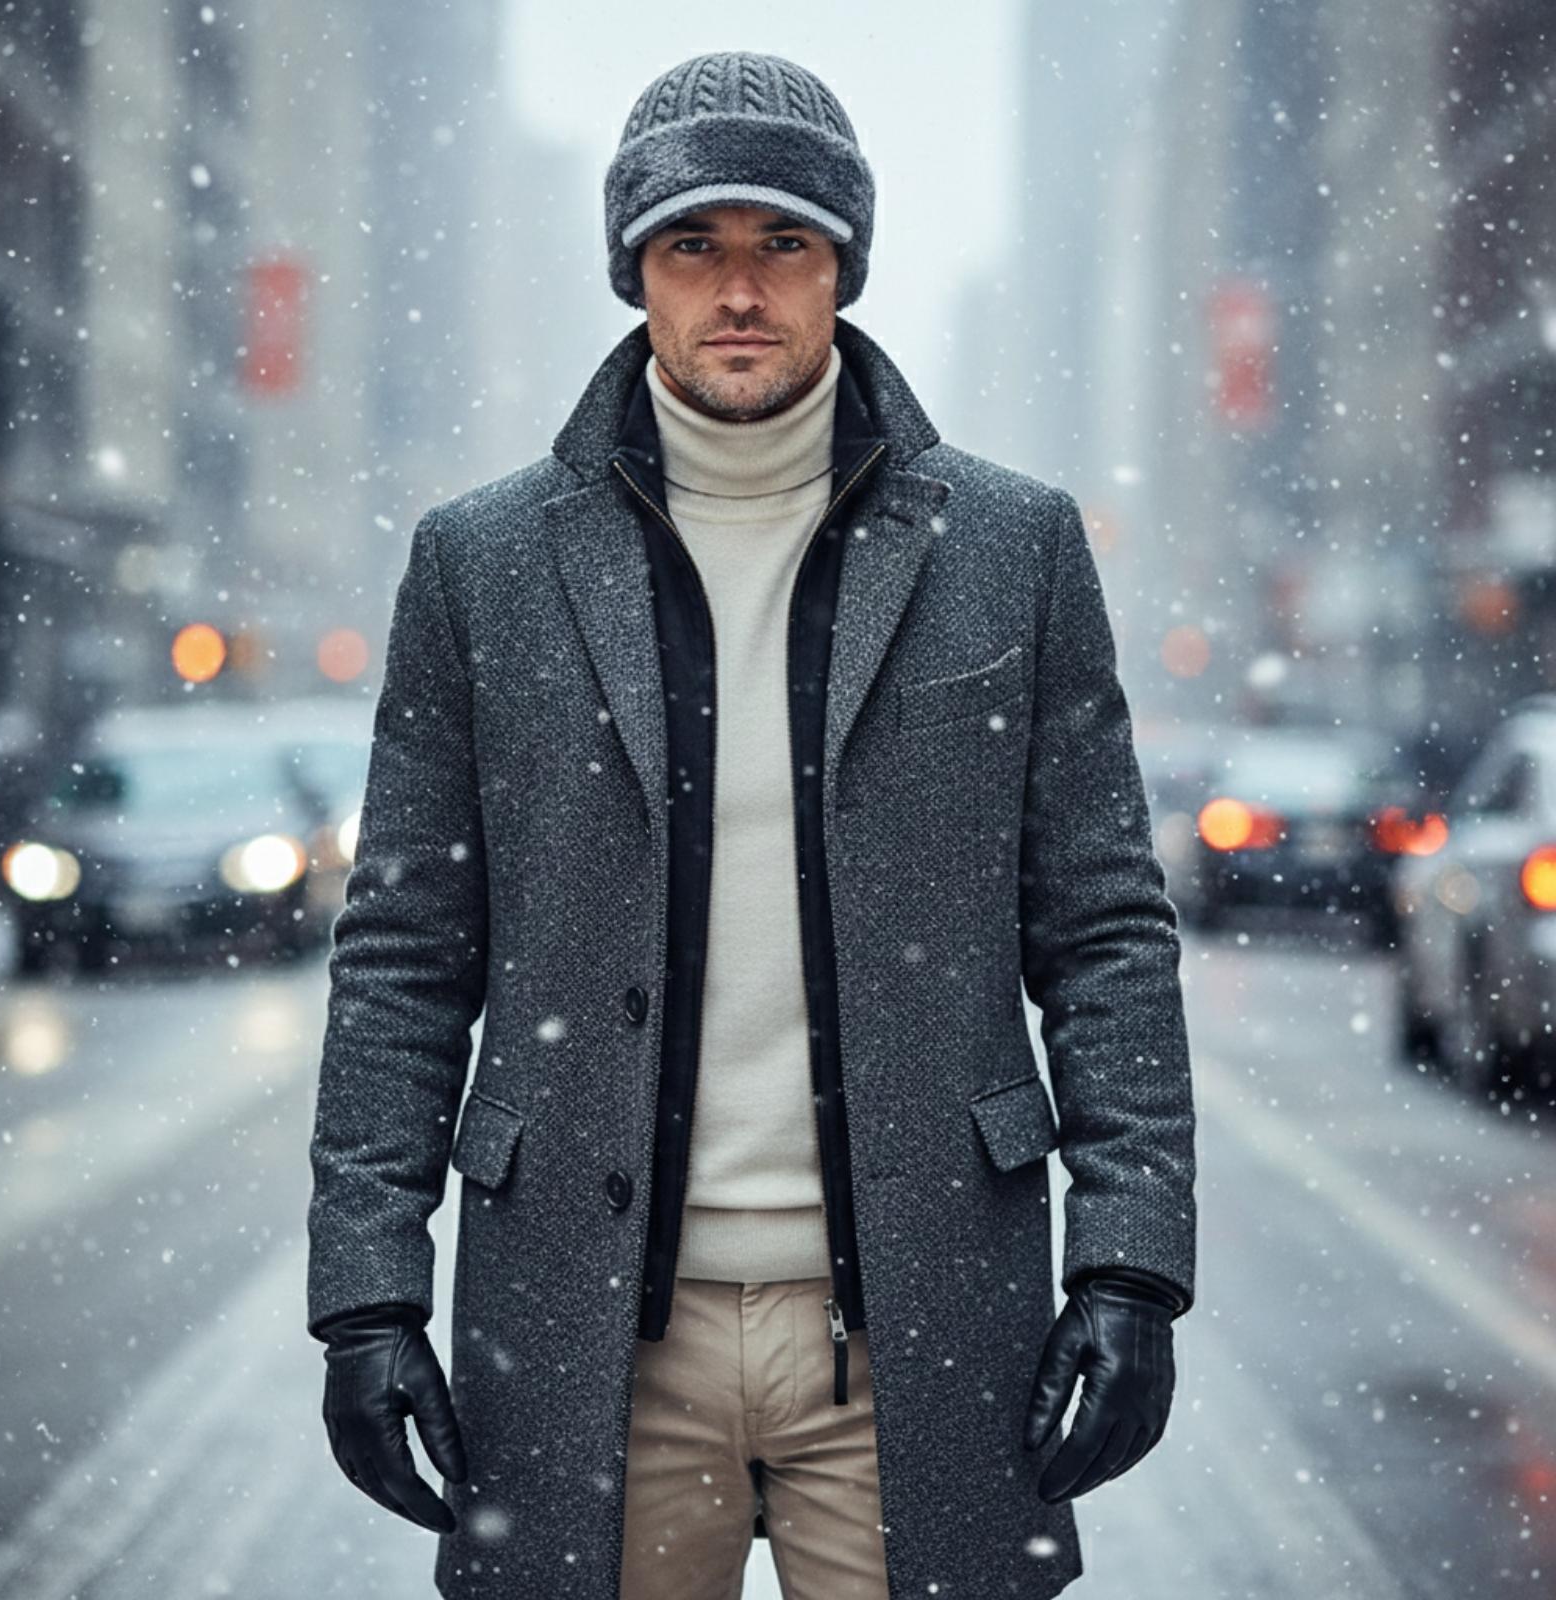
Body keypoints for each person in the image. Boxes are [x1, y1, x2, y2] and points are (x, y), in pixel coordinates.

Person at [306, 49, 1198, 1600]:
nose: (739, 289)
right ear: (633, 276)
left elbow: (1106, 932)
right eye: (692, 246)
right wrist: (370, 1295)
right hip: (586, 1333)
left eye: (783, 243)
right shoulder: (482, 564)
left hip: (923, 1321)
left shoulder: (1013, 548)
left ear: (844, 266)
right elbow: (403, 958)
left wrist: (1130, 1261)